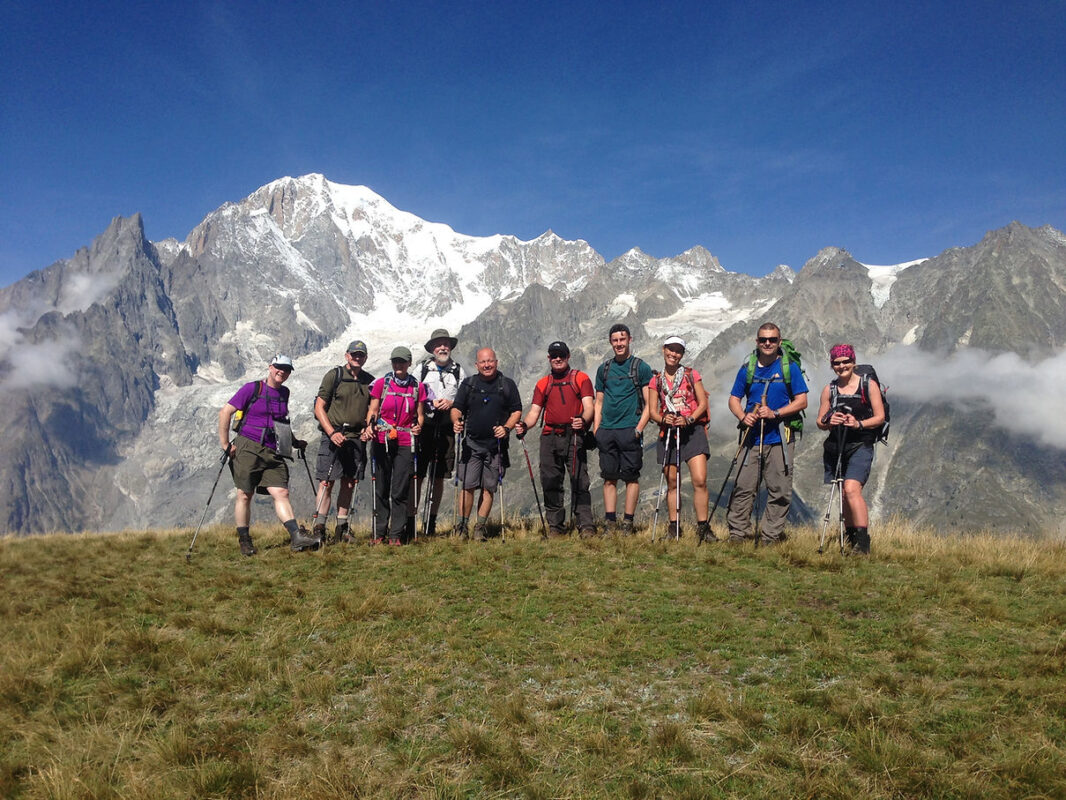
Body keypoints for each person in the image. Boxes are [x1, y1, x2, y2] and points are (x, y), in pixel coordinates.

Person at [217, 354, 319, 555]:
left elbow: (281, 422)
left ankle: (296, 536)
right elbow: (225, 412)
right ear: (270, 367)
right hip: (248, 445)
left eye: (287, 369)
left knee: (281, 492)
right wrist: (225, 444)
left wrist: (294, 441)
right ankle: (245, 541)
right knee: (245, 494)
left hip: (273, 449)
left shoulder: (284, 393)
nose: (283, 372)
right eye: (279, 367)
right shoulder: (252, 389)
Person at [726, 323, 808, 544]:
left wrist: (776, 413)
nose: (768, 343)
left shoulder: (788, 368)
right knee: (743, 486)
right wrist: (744, 416)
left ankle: (770, 536)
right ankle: (737, 534)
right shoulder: (748, 369)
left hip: (781, 437)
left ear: (779, 342)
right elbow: (734, 400)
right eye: (763, 340)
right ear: (757, 342)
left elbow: (802, 401)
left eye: (772, 339)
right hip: (751, 436)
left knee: (780, 489)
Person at [515, 341, 596, 538]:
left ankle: (585, 526)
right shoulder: (543, 384)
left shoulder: (581, 378)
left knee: (579, 480)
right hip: (549, 436)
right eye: (554, 355)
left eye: (561, 355)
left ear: (568, 356)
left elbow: (589, 406)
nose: (558, 358)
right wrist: (525, 425)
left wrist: (583, 421)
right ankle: (555, 528)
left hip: (574, 435)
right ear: (549, 358)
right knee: (550, 480)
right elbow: (535, 412)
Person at [815, 343, 885, 554]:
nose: (842, 366)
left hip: (860, 445)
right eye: (837, 363)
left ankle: (863, 543)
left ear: (853, 362)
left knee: (851, 489)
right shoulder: (830, 389)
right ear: (832, 365)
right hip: (836, 447)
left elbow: (880, 417)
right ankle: (851, 536)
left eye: (846, 362)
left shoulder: (868, 385)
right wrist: (830, 420)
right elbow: (820, 421)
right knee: (843, 493)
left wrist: (858, 424)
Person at [450, 348, 522, 541]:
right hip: (471, 444)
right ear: (477, 365)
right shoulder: (469, 384)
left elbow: (516, 411)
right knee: (467, 486)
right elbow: (457, 407)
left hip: (495, 446)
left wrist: (506, 428)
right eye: (483, 362)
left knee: (488, 488)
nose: (487, 365)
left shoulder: (507, 385)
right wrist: (457, 420)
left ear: (496, 362)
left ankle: (479, 527)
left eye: (490, 361)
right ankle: (462, 526)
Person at [647, 336, 711, 540]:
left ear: (682, 354)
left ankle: (703, 528)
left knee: (699, 480)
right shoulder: (655, 380)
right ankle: (674, 527)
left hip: (692, 432)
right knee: (672, 482)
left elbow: (702, 404)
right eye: (670, 349)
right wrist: (664, 418)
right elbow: (652, 411)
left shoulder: (692, 375)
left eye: (678, 351)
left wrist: (689, 419)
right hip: (669, 432)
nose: (673, 354)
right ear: (663, 349)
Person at [311, 340, 374, 543]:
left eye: (361, 355)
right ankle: (319, 526)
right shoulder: (334, 376)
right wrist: (330, 432)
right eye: (354, 354)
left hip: (356, 438)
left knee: (349, 482)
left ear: (365, 357)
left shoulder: (370, 381)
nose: (357, 357)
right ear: (347, 355)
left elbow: (372, 412)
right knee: (326, 482)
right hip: (334, 436)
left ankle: (342, 527)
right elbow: (319, 407)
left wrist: (367, 428)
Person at [593, 323, 653, 533]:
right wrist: (597, 430)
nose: (619, 344)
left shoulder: (641, 367)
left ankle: (628, 522)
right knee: (609, 477)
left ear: (629, 340)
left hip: (629, 429)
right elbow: (598, 402)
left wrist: (638, 429)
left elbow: (649, 404)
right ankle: (610, 523)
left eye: (622, 339)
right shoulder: (604, 369)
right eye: (615, 340)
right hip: (607, 431)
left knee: (630, 477)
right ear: (611, 342)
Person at [364, 346, 426, 545]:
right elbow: (373, 410)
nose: (398, 365)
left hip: (405, 442)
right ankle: (379, 532)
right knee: (381, 487)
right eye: (395, 361)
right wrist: (370, 426)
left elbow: (420, 414)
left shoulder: (417, 387)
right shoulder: (382, 384)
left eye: (402, 361)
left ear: (409, 363)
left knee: (400, 489)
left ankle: (396, 535)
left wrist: (419, 427)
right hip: (381, 439)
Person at [415, 329, 467, 536]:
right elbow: (412, 395)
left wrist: (452, 402)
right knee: (417, 476)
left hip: (446, 428)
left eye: (446, 344)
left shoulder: (458, 371)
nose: (443, 347)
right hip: (424, 427)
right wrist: (429, 402)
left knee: (438, 477)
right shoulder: (420, 370)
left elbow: (465, 399)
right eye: (439, 344)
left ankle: (431, 523)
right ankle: (411, 520)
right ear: (432, 348)